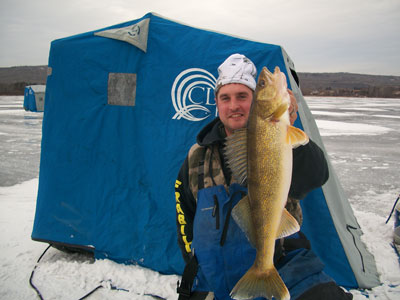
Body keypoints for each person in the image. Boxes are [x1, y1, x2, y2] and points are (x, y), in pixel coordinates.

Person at [175, 54, 353, 300]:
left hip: (283, 264)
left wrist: (289, 124)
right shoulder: (197, 157)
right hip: (215, 275)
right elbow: (184, 214)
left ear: (256, 101)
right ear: (217, 103)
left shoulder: (282, 137)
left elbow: (316, 175)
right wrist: (196, 263)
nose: (233, 105)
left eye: (243, 96)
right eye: (225, 98)